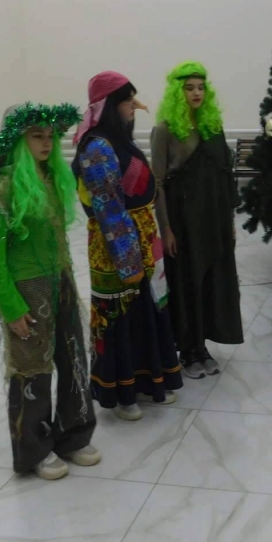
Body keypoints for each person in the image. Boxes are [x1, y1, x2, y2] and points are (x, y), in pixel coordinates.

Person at [0, 103, 99, 481]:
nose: (46, 143)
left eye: (50, 137)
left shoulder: (53, 178)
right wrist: (11, 307)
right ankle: (35, 448)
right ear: (18, 140)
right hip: (27, 290)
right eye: (36, 136)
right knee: (32, 369)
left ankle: (74, 435)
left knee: (74, 357)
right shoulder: (3, 188)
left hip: (61, 282)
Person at [73, 71, 183, 422]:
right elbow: (109, 210)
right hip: (115, 247)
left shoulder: (120, 141)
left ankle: (150, 382)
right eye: (127, 100)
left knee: (146, 311)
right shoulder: (97, 147)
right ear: (109, 105)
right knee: (121, 317)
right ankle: (123, 394)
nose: (134, 105)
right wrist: (128, 260)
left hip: (142, 237)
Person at [151, 61, 243, 379]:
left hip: (212, 219)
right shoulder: (164, 130)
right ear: (178, 92)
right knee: (186, 283)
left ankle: (201, 346)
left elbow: (224, 176)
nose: (196, 93)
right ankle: (187, 350)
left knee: (210, 282)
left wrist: (229, 220)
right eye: (189, 88)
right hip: (182, 221)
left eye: (201, 87)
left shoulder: (211, 127)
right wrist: (166, 229)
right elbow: (157, 183)